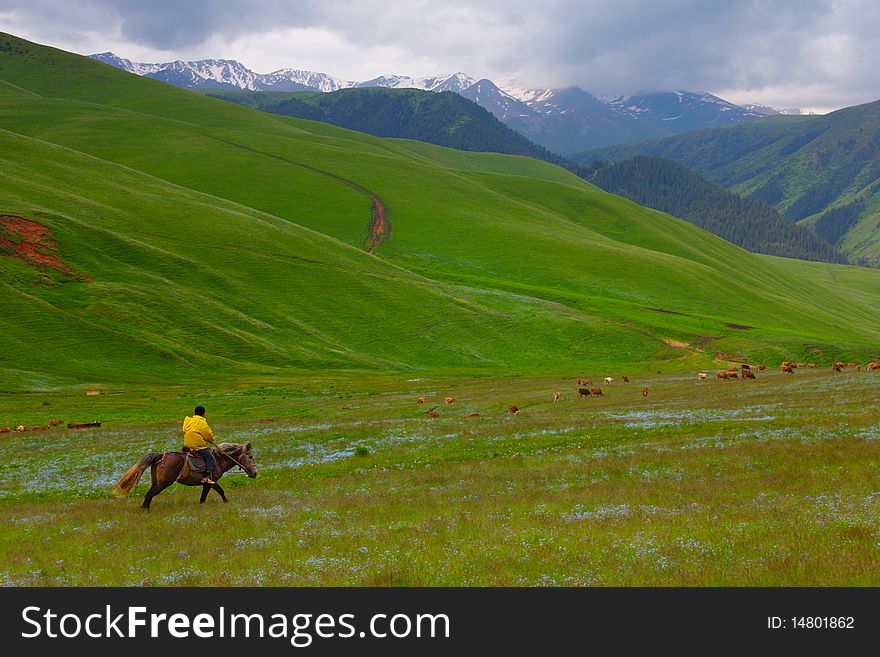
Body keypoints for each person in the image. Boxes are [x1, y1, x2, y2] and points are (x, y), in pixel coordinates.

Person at [182, 405, 216, 485]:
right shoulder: (202, 422)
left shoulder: (190, 420)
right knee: (210, 458)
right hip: (197, 446)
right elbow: (208, 434)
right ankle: (205, 477)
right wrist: (211, 440)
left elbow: (184, 429)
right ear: (203, 413)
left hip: (187, 445)